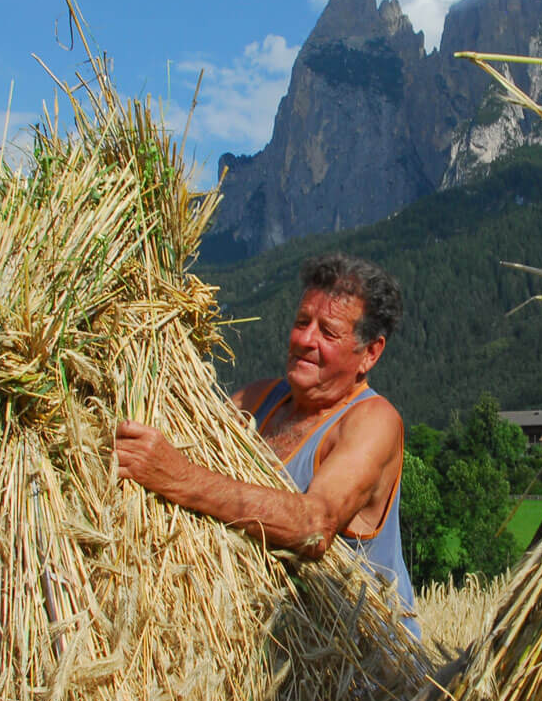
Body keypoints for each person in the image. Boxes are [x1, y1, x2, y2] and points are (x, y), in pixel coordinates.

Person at [115, 252, 419, 634]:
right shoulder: (256, 401)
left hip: (362, 673)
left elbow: (315, 525)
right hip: (271, 649)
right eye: (301, 322)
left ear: (370, 353)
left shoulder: (372, 422)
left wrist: (177, 476)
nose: (306, 340)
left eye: (328, 332)